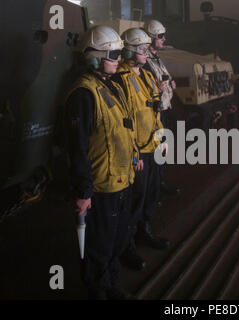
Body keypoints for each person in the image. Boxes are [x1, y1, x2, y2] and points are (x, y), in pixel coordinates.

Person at [65, 25, 137, 300]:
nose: (119, 58)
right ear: (94, 58)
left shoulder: (110, 85)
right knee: (99, 247)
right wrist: (83, 192)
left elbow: (123, 128)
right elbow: (77, 148)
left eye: (119, 52)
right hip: (102, 187)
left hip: (122, 179)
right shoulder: (83, 95)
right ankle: (97, 291)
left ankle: (110, 284)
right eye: (113, 53)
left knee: (116, 241)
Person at [113, 28, 170, 271]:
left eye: (148, 48)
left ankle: (143, 232)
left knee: (150, 196)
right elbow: (124, 120)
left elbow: (154, 110)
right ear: (130, 50)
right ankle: (126, 247)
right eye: (143, 48)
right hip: (138, 154)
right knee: (133, 202)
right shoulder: (120, 79)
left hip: (154, 146)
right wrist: (134, 153)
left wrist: (162, 138)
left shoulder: (146, 75)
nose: (147, 52)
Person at [143, 20, 180, 198]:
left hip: (162, 110)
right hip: (153, 114)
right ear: (150, 38)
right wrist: (159, 89)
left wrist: (170, 84)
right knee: (156, 152)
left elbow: (164, 78)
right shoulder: (145, 61)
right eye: (160, 36)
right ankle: (153, 190)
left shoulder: (155, 58)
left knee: (163, 150)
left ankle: (159, 184)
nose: (164, 39)